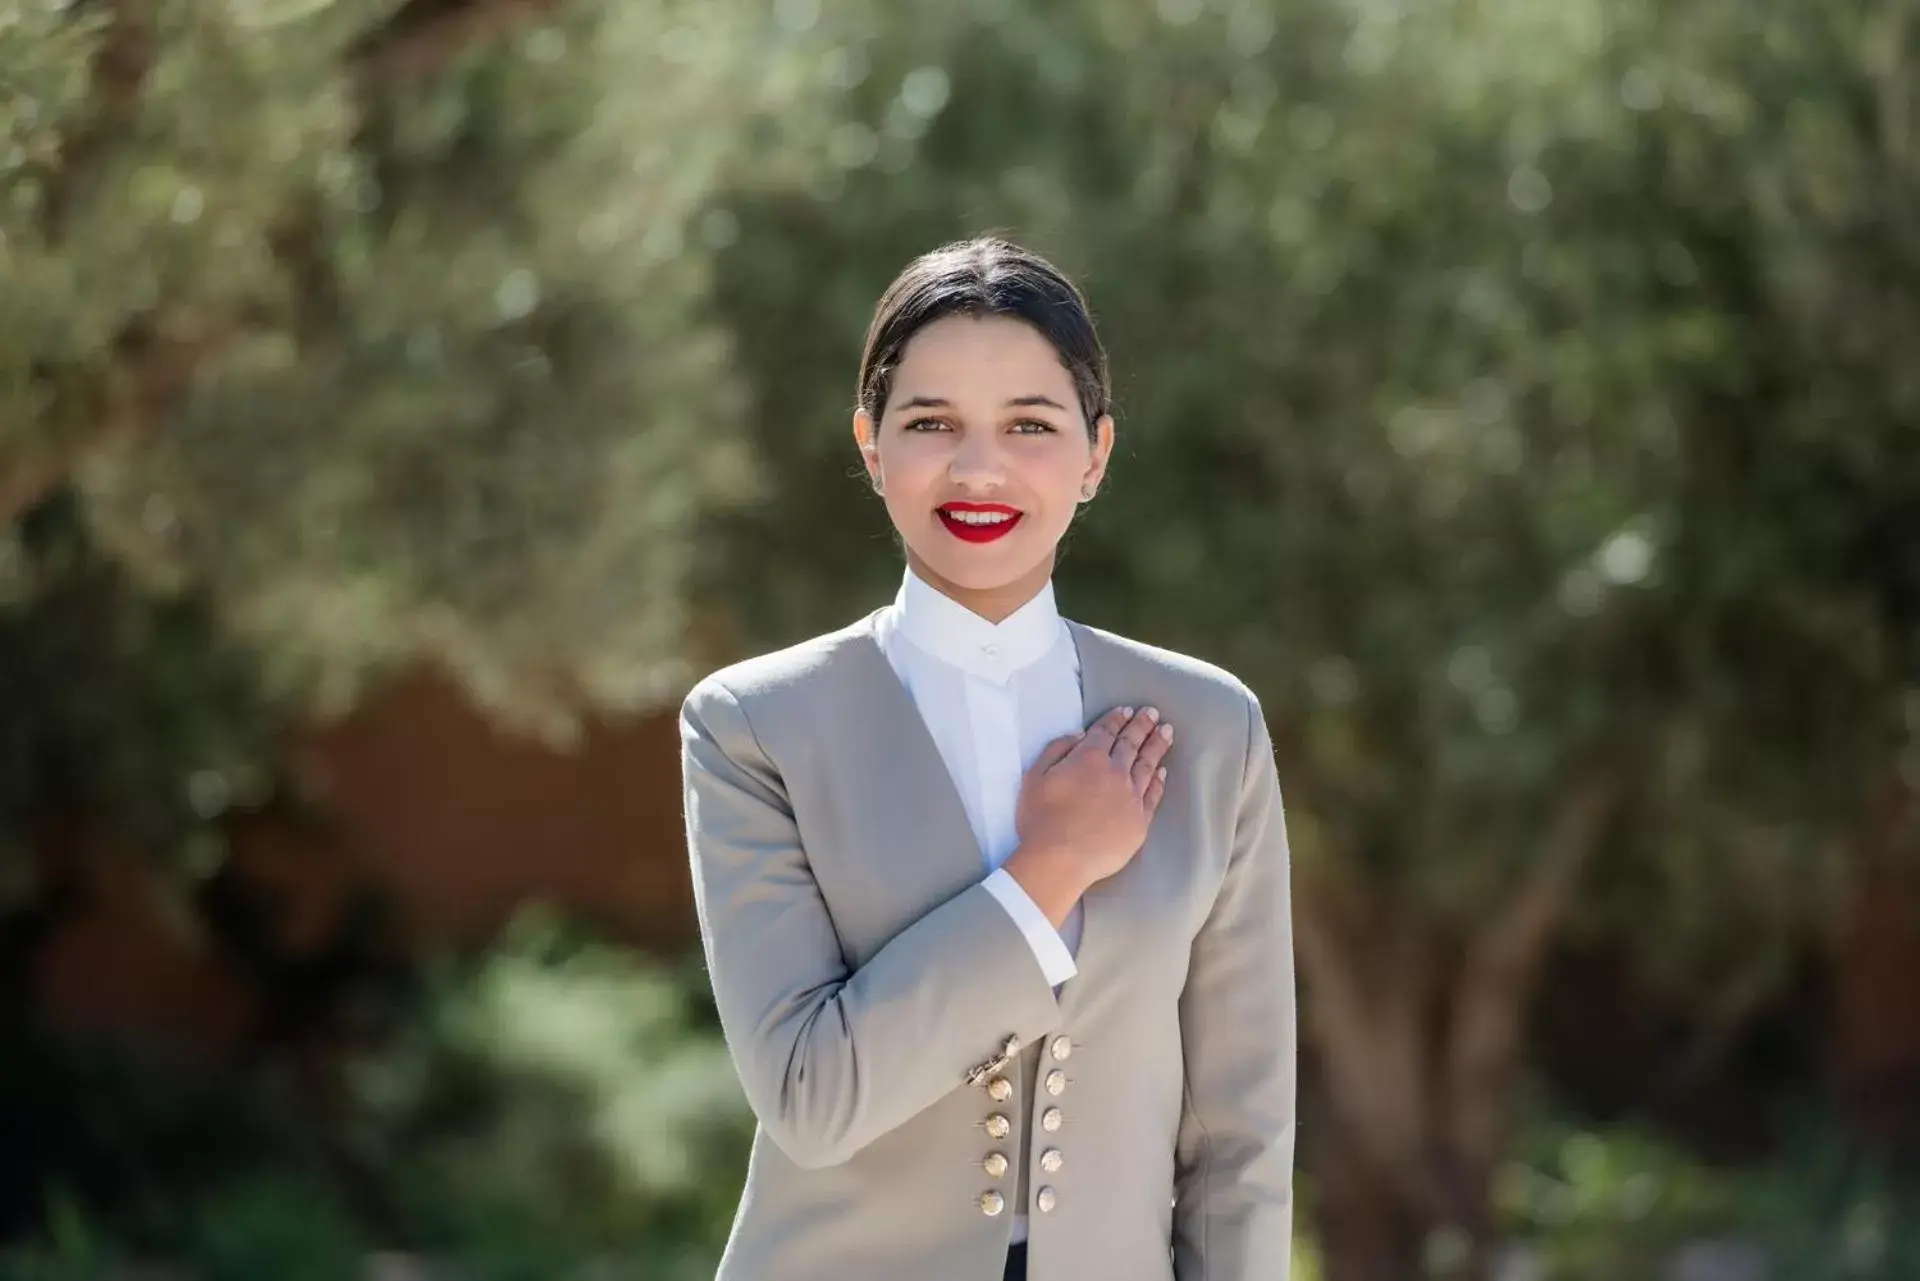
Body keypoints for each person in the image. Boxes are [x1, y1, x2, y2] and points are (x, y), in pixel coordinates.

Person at [679, 236, 1296, 1281]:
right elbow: (810, 1102)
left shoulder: (1211, 728)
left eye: (1029, 424)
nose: (979, 469)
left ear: (1096, 454)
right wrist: (1050, 869)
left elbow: (1241, 1134)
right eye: (931, 425)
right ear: (870, 446)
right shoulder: (754, 727)